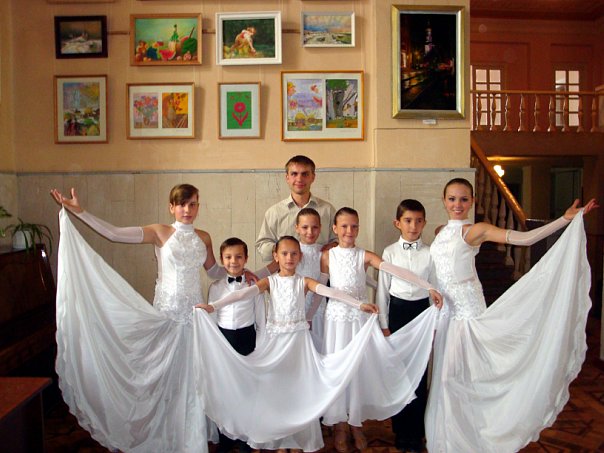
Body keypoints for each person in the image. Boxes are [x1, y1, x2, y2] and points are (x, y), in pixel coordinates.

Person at [49, 184, 228, 453]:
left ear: (198, 206)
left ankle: (190, 437)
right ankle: (162, 432)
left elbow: (214, 271)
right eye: (182, 204)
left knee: (193, 378)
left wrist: (243, 271)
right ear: (171, 207)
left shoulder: (204, 237)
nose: (187, 210)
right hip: (167, 315)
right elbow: (114, 233)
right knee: (164, 377)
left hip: (195, 316)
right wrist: (80, 212)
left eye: (192, 204)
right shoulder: (159, 232)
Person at [425, 177, 598, 453]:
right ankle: (448, 441)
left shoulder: (476, 230)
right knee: (447, 382)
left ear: (472, 202)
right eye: (452, 199)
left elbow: (525, 239)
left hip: (468, 317)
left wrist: (564, 220)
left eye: (464, 199)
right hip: (446, 316)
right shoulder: (439, 231)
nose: (458, 204)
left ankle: (474, 440)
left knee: (462, 381)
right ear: (444, 201)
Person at [197, 235, 378, 452]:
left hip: (298, 344)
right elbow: (242, 294)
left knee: (298, 390)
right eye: (284, 253)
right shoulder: (269, 282)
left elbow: (330, 291)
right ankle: (280, 441)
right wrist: (213, 306)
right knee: (276, 390)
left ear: (300, 257)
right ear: (276, 256)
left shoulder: (304, 281)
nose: (289, 258)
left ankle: (298, 439)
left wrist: (359, 304)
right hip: (276, 343)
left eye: (294, 254)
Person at [321, 207, 443, 452]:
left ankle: (356, 424)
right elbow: (321, 289)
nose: (349, 231)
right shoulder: (326, 256)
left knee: (358, 371)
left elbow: (394, 271)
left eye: (354, 226)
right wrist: (308, 316)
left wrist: (427, 286)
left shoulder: (365, 255)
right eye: (344, 226)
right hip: (335, 320)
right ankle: (340, 427)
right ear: (335, 228)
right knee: (338, 370)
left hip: (359, 320)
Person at [209, 237, 276, 453]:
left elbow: (261, 320)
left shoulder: (254, 286)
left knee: (247, 391)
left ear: (246, 258)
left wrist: (260, 350)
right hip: (224, 342)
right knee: (225, 391)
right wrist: (215, 349)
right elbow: (211, 320)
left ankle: (246, 437)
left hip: (247, 341)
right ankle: (226, 436)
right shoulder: (215, 287)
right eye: (228, 257)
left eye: (238, 257)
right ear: (222, 259)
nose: (233, 261)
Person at [376, 199, 434, 453]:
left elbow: (433, 289)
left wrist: (433, 324)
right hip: (397, 313)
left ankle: (417, 433)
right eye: (408, 220)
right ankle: (401, 432)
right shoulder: (389, 252)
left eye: (418, 221)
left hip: (422, 314)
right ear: (397, 223)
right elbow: (382, 290)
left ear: (424, 223)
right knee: (399, 375)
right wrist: (384, 324)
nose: (413, 226)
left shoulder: (430, 253)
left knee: (419, 374)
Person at [256, 155, 336, 262]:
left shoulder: (327, 210)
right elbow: (262, 245)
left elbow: (338, 240)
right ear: (287, 178)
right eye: (294, 174)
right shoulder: (274, 212)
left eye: (305, 174)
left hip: (320, 270)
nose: (299, 179)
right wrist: (282, 248)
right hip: (286, 271)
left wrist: (333, 246)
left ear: (313, 177)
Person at [294, 208, 327, 348]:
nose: (310, 232)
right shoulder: (291, 251)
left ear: (320, 228)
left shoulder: (324, 252)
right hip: (296, 308)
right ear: (297, 228)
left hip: (317, 308)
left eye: (315, 227)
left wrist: (310, 315)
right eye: (305, 227)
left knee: (317, 347)